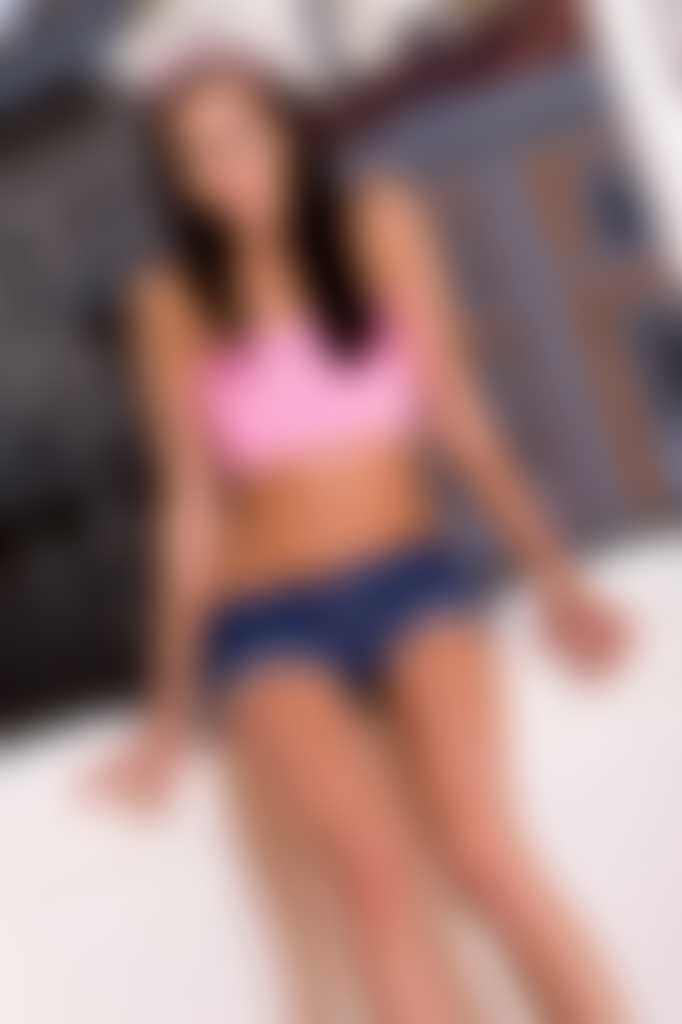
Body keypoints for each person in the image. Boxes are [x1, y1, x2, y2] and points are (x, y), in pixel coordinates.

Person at [93, 52, 629, 1022]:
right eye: (196, 157)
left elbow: (456, 411)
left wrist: (556, 580)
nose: (226, 171)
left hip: (411, 578)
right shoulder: (169, 300)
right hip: (266, 617)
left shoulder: (379, 222)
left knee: (483, 855)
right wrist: (168, 711)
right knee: (372, 876)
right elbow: (190, 505)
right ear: (177, 181)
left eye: (241, 139)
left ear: (288, 134)